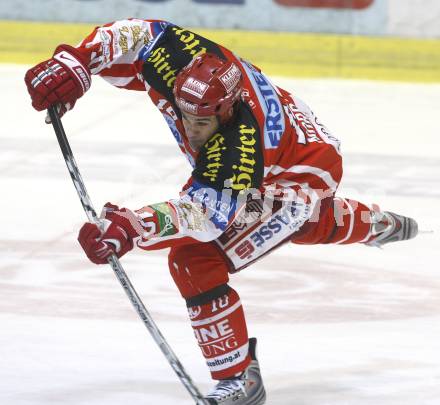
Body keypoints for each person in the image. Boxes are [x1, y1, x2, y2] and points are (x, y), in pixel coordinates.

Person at [24, 18, 418, 405]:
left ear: (227, 112)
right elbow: (140, 33)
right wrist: (77, 61)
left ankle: (238, 377)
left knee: (194, 257)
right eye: (185, 114)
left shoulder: (238, 152)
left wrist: (132, 225)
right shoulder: (181, 60)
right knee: (293, 223)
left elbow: (205, 216)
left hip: (300, 175)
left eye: (202, 121)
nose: (190, 129)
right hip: (292, 138)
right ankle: (371, 223)